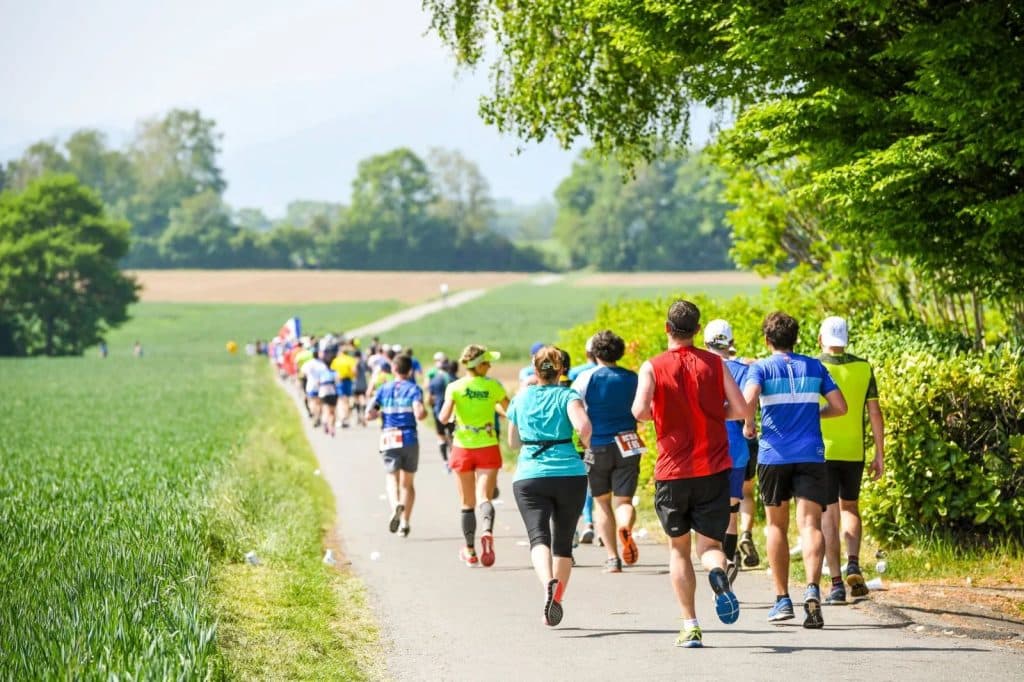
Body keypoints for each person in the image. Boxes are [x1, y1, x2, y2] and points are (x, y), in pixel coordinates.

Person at [632, 301, 749, 648]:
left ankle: (691, 625)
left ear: (667, 328)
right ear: (698, 331)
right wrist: (713, 413)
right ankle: (718, 574)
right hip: (714, 469)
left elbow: (639, 411)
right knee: (710, 545)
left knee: (679, 550)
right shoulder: (715, 362)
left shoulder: (652, 366)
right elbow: (740, 409)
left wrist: (662, 413)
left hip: (673, 471)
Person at [742, 311, 847, 629]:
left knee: (776, 526)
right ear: (796, 339)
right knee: (811, 524)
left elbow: (747, 402)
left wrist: (749, 425)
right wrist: (817, 415)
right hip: (812, 455)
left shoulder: (760, 367)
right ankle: (813, 589)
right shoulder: (815, 366)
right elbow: (841, 407)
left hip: (774, 456)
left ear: (767, 340)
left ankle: (782, 599)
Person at [508, 346, 592, 627]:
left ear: (535, 369)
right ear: (561, 370)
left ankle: (547, 582)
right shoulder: (569, 396)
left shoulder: (521, 397)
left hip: (530, 474)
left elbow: (512, 441)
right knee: (563, 542)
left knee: (538, 537)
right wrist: (585, 445)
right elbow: (583, 426)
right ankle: (557, 598)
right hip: (570, 473)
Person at [817, 316, 885, 604]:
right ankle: (854, 562)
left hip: (821, 451)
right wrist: (879, 453)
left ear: (821, 339)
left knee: (828, 516)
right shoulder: (864, 367)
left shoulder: (814, 365)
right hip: (854, 450)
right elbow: (874, 413)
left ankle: (835, 584)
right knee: (851, 507)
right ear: (846, 339)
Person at [571, 330, 640, 573]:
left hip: (596, 443)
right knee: (624, 500)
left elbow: (576, 413)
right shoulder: (633, 377)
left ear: (595, 353)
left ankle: (612, 558)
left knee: (601, 502)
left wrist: (582, 441)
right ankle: (625, 527)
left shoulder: (584, 378)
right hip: (629, 440)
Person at [437, 345, 510, 566]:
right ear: (478, 365)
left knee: (466, 503)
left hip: (462, 448)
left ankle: (470, 551)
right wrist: (492, 407)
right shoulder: (493, 386)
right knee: (484, 498)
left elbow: (443, 417)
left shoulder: (455, 387)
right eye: (487, 362)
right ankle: (487, 531)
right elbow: (510, 410)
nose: (490, 366)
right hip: (488, 446)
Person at [702, 319, 758, 584]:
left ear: (705, 343)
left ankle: (715, 562)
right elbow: (748, 407)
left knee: (707, 508)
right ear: (731, 343)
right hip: (735, 448)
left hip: (704, 448)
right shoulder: (744, 370)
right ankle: (729, 562)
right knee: (732, 509)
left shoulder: (699, 368)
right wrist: (749, 425)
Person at [365, 354, 427, 537]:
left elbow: (369, 414)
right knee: (407, 484)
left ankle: (395, 506)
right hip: (409, 436)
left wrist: (378, 415)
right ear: (410, 371)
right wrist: (422, 413)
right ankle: (405, 523)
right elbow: (419, 413)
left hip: (389, 436)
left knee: (392, 479)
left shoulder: (384, 389)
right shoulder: (414, 389)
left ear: (393, 370)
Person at [426, 354, 455, 470]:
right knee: (453, 437)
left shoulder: (434, 380)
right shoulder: (454, 379)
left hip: (438, 412)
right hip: (453, 413)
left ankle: (445, 461)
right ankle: (454, 459)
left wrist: (431, 405)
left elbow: (429, 398)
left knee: (441, 436)